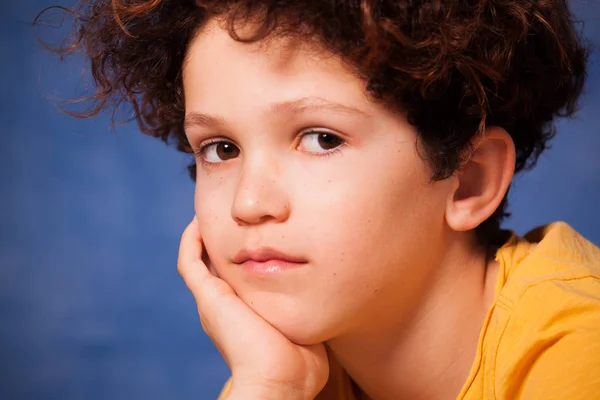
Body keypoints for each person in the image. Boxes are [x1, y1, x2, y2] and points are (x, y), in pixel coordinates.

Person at [36, 0, 600, 399]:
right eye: (221, 148)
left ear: (469, 179)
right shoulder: (288, 370)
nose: (249, 203)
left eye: (321, 138)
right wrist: (267, 388)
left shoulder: (578, 357)